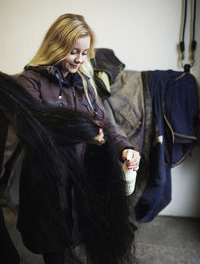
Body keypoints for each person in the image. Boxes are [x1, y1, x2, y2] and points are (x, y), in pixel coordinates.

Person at [16, 13, 140, 264]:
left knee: (77, 238)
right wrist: (85, 133)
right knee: (54, 247)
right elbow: (35, 130)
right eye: (73, 52)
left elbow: (105, 123)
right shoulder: (30, 81)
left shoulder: (84, 82)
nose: (80, 59)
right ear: (56, 45)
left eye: (84, 53)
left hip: (81, 181)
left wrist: (125, 149)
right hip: (48, 183)